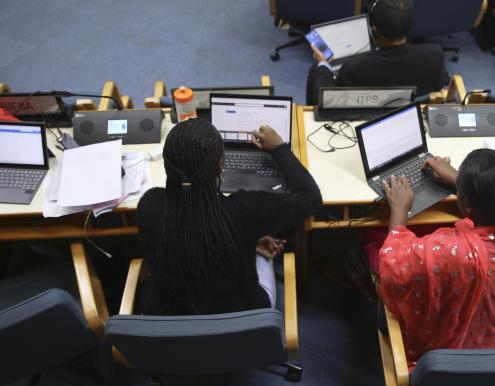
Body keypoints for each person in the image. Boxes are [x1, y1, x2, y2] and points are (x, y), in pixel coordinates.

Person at [377, 149, 495, 367]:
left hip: (456, 353)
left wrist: (400, 209)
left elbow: (393, 268)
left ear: (466, 204)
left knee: (372, 247)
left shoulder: (456, 253)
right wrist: (462, 182)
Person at [137, 118, 322, 315]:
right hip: (244, 320)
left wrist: (246, 236)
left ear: (167, 165)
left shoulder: (149, 206)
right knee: (266, 259)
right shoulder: (244, 210)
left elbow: (190, 233)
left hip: (169, 325)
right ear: (220, 165)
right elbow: (310, 198)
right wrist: (279, 148)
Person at [305, 0, 448, 105]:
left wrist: (323, 63)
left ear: (374, 32)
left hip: (361, 120)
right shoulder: (434, 54)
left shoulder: (356, 67)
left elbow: (325, 98)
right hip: (411, 114)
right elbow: (441, 82)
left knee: (316, 70)